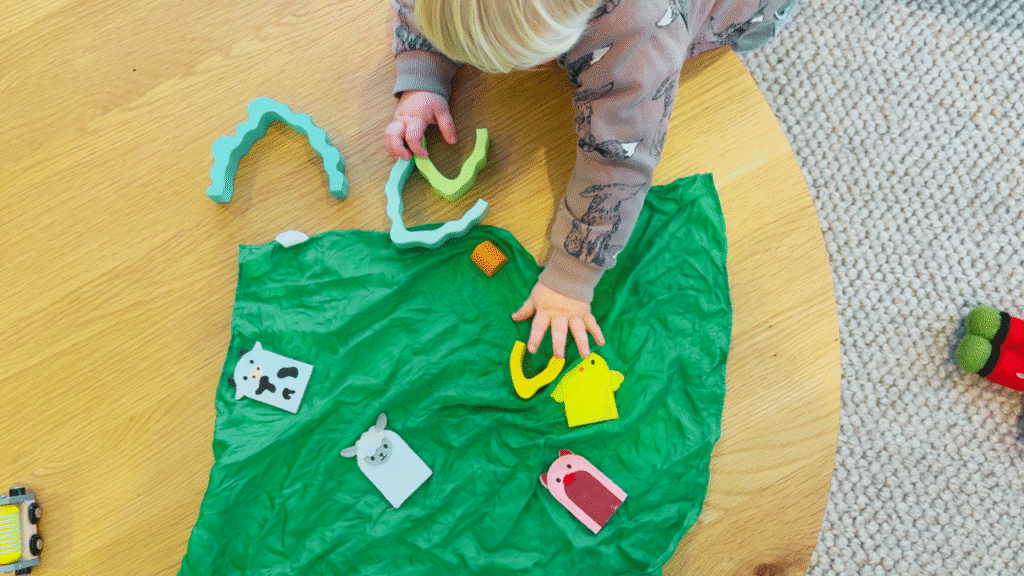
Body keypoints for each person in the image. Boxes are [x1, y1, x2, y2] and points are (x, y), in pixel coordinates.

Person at [383, 0, 798, 360]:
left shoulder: (639, 35)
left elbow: (619, 161)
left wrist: (570, 279)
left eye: (514, 62)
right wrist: (424, 72)